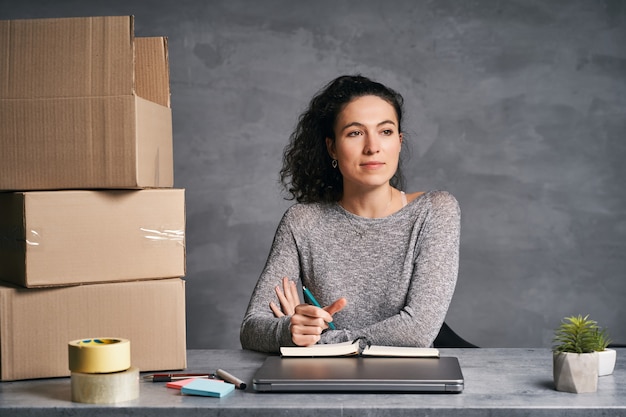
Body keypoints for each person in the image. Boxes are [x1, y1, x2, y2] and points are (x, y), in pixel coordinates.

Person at [240, 75, 460, 353]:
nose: (372, 147)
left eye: (386, 131)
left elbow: (417, 332)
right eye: (355, 133)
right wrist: (290, 329)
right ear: (332, 146)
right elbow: (251, 329)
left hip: (408, 383)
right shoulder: (302, 222)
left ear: (400, 142)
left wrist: (321, 341)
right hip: (324, 383)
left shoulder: (435, 211)